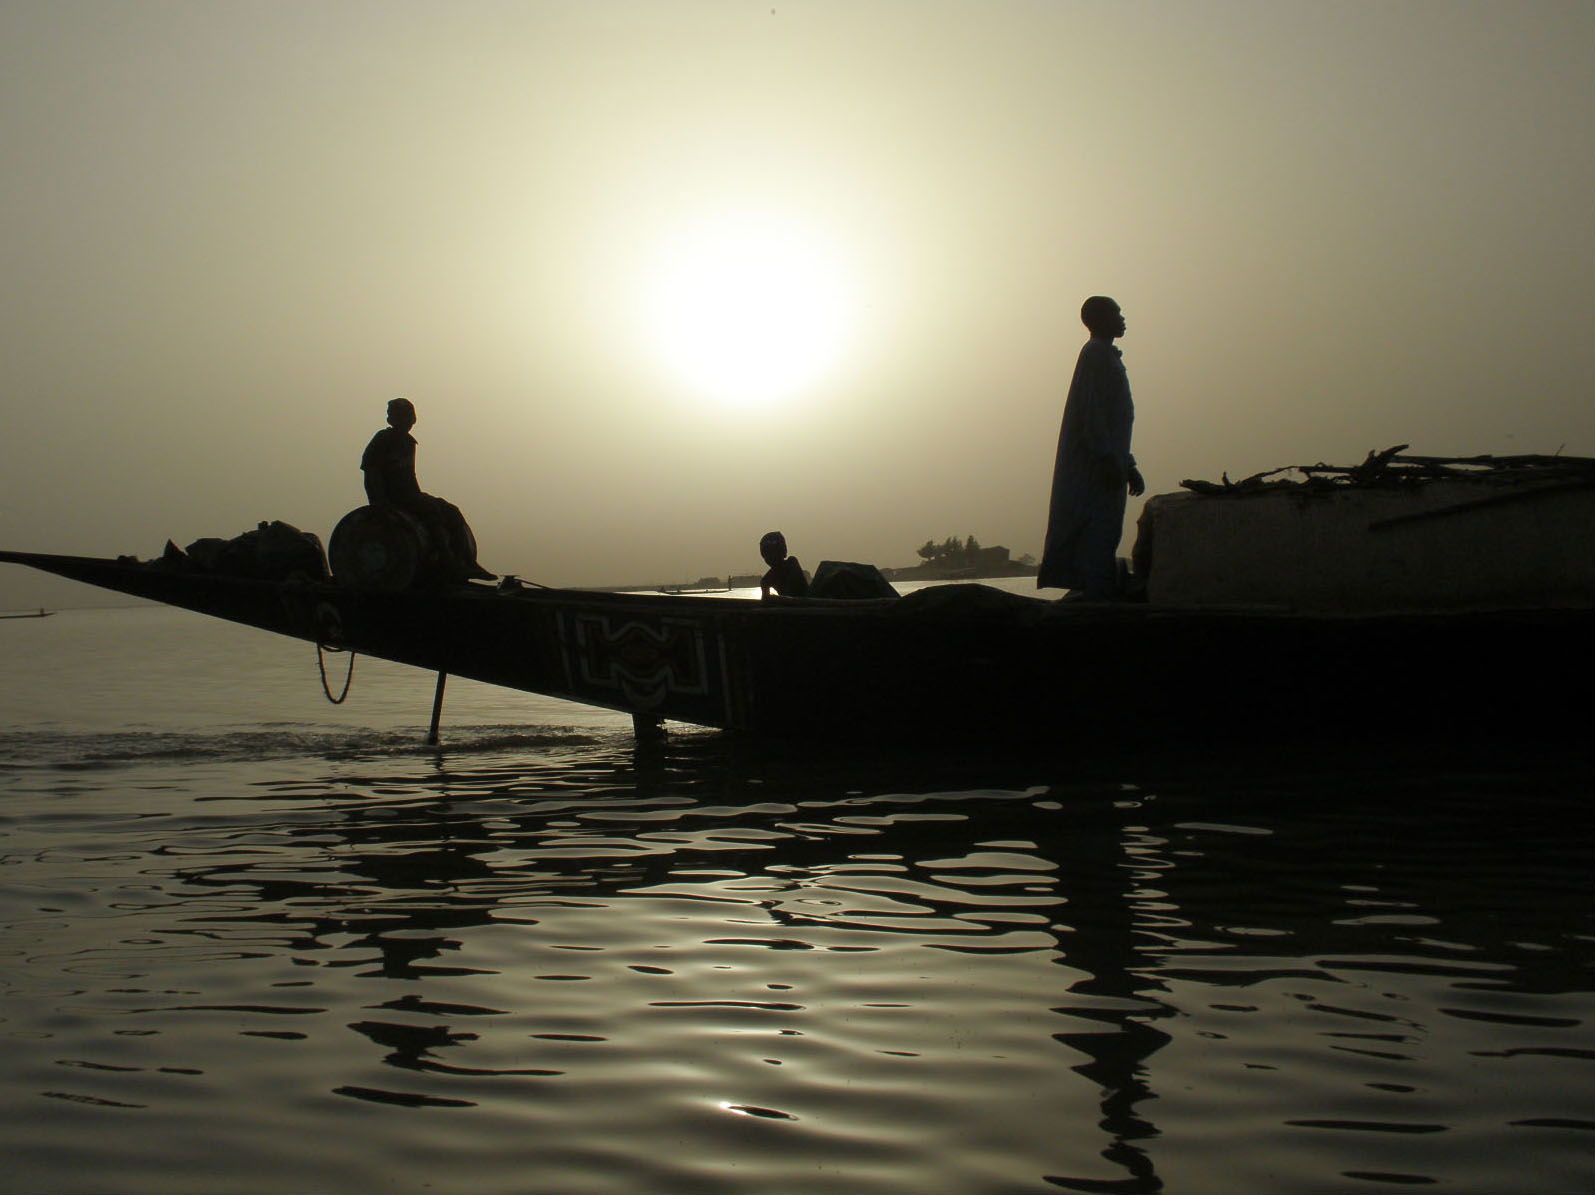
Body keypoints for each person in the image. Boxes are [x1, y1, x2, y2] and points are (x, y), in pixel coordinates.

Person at [1037, 296, 1145, 600]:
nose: (1123, 319)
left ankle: (1099, 593)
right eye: (1117, 314)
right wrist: (1110, 460)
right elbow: (1093, 413)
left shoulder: (1106, 356)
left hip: (1110, 460)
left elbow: (1114, 422)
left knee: (1107, 531)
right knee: (1097, 531)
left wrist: (1129, 464)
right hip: (1096, 467)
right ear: (1098, 319)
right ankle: (1097, 599)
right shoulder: (1095, 354)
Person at [361, 398, 493, 581]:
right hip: (394, 497)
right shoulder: (383, 439)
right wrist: (378, 502)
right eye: (403, 416)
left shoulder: (407, 442)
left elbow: (409, 476)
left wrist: (419, 496)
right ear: (393, 418)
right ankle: (447, 559)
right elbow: (371, 471)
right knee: (430, 510)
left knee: (451, 510)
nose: (408, 420)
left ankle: (467, 562)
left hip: (411, 494)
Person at [758, 531, 810, 599]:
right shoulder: (766, 580)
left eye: (774, 552)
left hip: (804, 602)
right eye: (767, 554)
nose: (771, 556)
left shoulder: (792, 563)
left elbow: (795, 590)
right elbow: (765, 602)